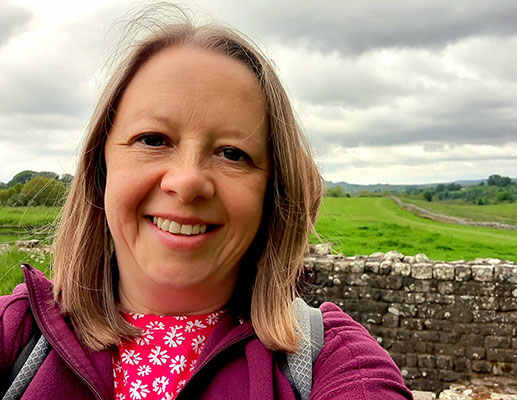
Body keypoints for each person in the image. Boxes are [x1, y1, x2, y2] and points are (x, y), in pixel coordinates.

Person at [0, 13, 412, 400]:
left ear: (272, 192)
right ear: (100, 166)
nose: (188, 181)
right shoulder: (15, 332)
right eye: (153, 139)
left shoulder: (337, 362)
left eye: (233, 153)